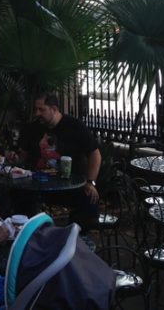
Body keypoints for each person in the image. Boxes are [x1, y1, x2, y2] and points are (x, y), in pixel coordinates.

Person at [17, 92, 101, 225]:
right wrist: (16, 163)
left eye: (41, 109)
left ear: (54, 109)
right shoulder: (32, 128)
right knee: (17, 194)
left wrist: (91, 182)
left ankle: (75, 237)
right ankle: (29, 235)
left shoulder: (75, 126)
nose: (37, 113)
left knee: (89, 199)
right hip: (37, 185)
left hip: (70, 186)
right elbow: (23, 156)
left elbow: (95, 154)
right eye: (36, 109)